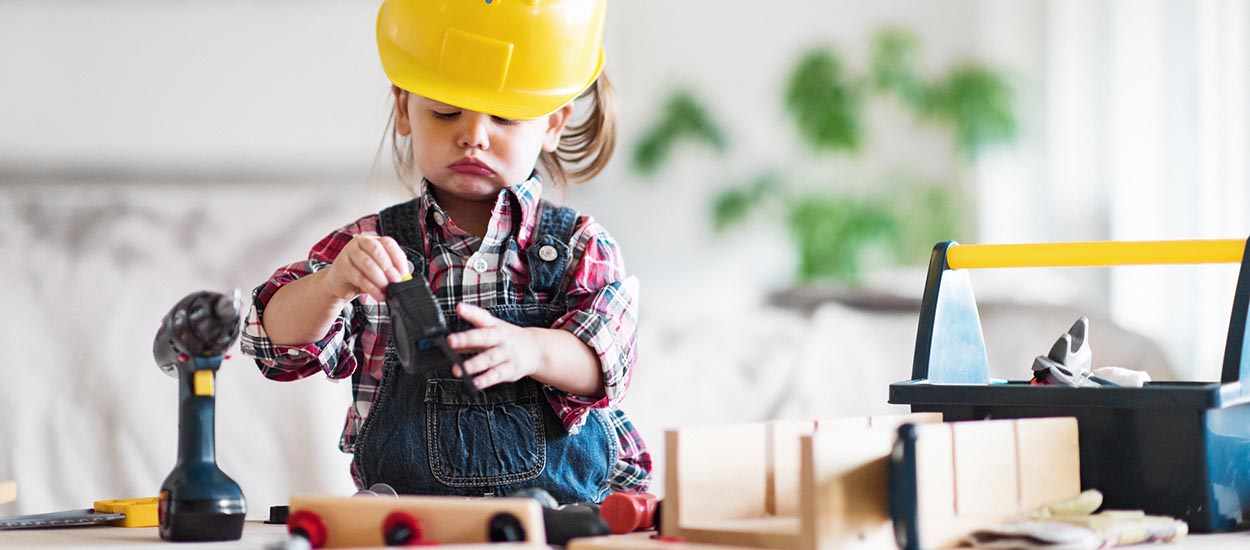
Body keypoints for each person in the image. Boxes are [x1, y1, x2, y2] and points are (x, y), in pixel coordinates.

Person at [240, 0, 649, 504]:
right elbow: (270, 343)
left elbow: (606, 363)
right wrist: (331, 285)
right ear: (404, 109)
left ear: (553, 125)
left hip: (560, 517)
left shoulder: (579, 246)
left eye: (505, 116)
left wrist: (532, 350)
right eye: (445, 111)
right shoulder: (369, 246)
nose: (473, 136)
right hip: (409, 516)